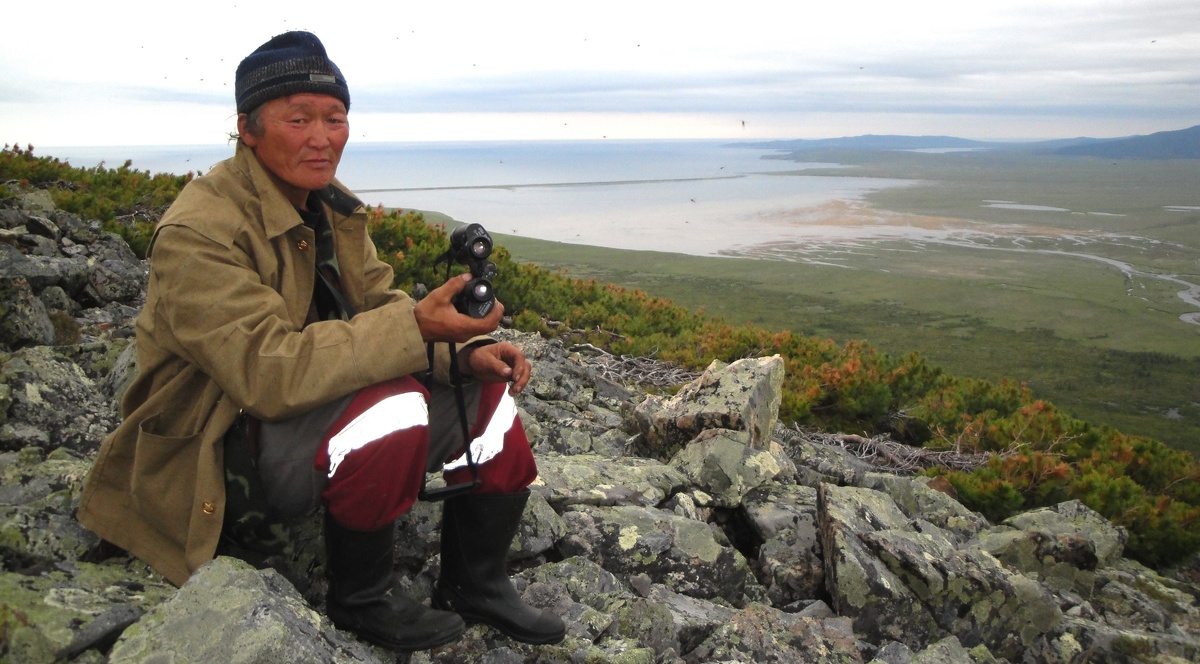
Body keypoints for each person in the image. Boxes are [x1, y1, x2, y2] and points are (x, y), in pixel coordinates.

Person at [76, 30, 565, 652]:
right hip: (215, 439)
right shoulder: (199, 231)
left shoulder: (330, 208)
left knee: (489, 401)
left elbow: (382, 307)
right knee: (394, 405)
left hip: (300, 412)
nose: (321, 136)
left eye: (335, 118)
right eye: (298, 118)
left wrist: (462, 354)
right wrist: (416, 329)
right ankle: (362, 597)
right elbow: (266, 372)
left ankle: (477, 582)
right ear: (247, 129)